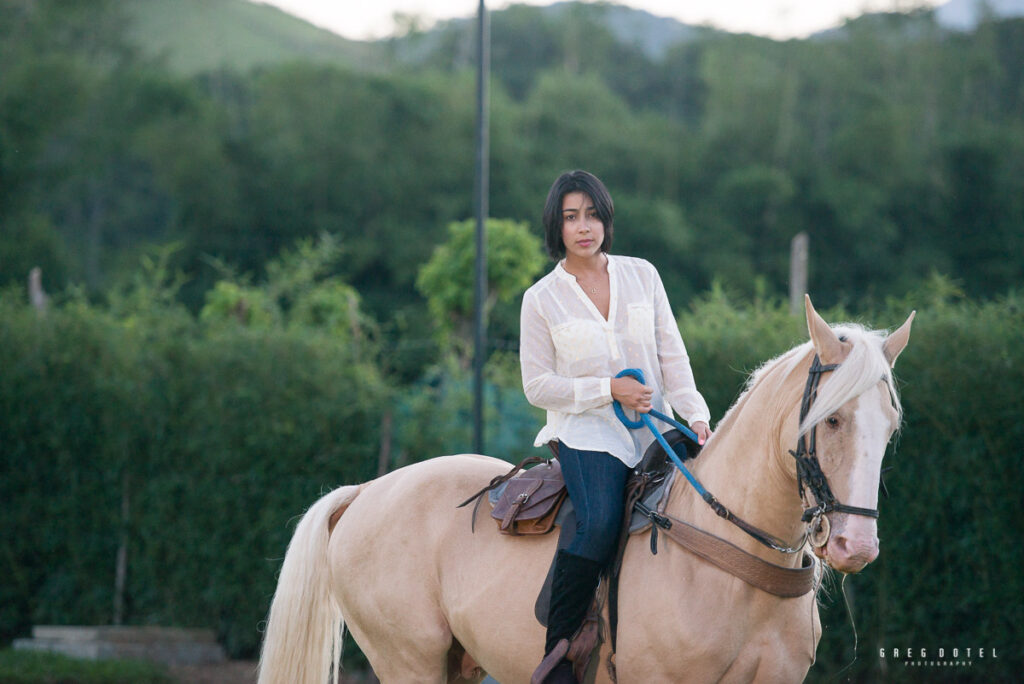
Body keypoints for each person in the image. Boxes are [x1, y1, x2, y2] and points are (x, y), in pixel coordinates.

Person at [520, 170, 712, 683]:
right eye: (570, 217)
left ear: (606, 217)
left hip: (657, 427)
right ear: (555, 227)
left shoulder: (642, 274)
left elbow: (673, 355)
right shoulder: (541, 299)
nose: (584, 227)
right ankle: (559, 652)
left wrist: (696, 415)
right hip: (588, 433)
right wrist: (608, 388)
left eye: (592, 214)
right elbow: (537, 386)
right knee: (601, 520)